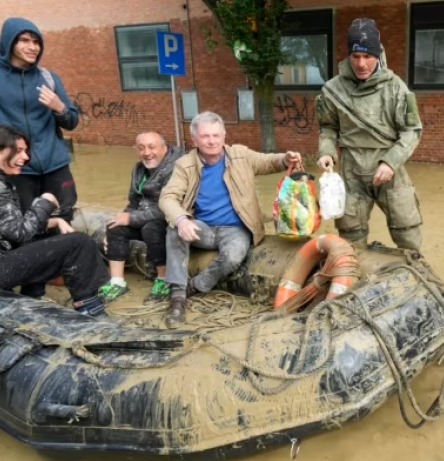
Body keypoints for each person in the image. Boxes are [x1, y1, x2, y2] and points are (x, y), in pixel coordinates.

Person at [158, 112, 301, 328]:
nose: (212, 141)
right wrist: (181, 220)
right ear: (195, 139)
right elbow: (168, 197)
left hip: (236, 228)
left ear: (224, 136)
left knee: (234, 256)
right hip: (203, 227)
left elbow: (268, 162)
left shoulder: (241, 155)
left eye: (216, 135)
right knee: (173, 229)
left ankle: (195, 286)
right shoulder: (184, 164)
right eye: (205, 136)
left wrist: (285, 158)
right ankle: (177, 297)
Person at [0, 17, 80, 300]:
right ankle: (31, 292)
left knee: (62, 218)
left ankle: (65, 274)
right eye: (24, 40)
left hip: (54, 163)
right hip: (17, 168)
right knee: (26, 228)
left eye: (36, 41)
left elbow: (72, 121)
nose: (32, 47)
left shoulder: (49, 77)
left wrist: (59, 106)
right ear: (10, 42)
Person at [316, 18, 423, 251]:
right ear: (348, 56)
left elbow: (412, 131)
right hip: (351, 169)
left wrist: (390, 162)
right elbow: (328, 127)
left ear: (378, 54)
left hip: (389, 168)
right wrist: (326, 152)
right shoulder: (333, 90)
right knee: (350, 237)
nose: (361, 63)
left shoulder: (396, 88)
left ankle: (415, 278)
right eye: (356, 56)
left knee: (407, 232)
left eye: (368, 56)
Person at [0, 124, 107, 316]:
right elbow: (20, 233)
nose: (25, 157)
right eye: (18, 151)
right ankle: (91, 309)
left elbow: (7, 227)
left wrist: (56, 222)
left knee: (43, 234)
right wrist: (45, 201)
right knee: (79, 243)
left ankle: (31, 296)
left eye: (26, 151)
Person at [98, 131, 183, 305]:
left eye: (152, 147)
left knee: (151, 228)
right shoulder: (138, 169)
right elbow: (134, 201)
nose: (146, 152)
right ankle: (117, 282)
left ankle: (163, 280)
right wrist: (120, 219)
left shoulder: (175, 169)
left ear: (164, 148)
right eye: (141, 148)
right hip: (144, 215)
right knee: (114, 225)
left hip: (168, 219)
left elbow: (167, 208)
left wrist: (130, 219)